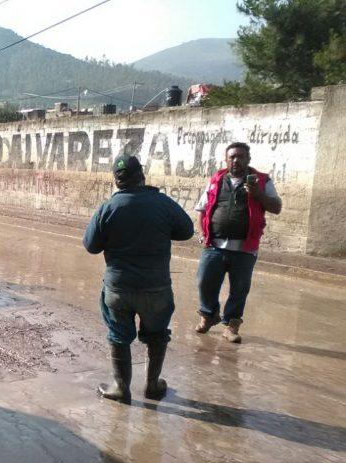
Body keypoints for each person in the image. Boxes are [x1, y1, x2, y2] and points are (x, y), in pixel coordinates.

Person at [83, 155, 194, 403]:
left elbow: (91, 246)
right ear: (141, 175)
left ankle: (121, 388)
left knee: (119, 337)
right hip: (156, 288)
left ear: (116, 180)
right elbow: (186, 230)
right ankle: (152, 386)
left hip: (118, 288)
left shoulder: (108, 208)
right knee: (157, 335)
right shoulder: (162, 203)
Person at [194, 142, 282, 343]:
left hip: (244, 248)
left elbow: (277, 207)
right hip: (214, 245)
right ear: (226, 160)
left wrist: (257, 194)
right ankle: (208, 316)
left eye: (240, 156)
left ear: (248, 159)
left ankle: (231, 326)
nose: (236, 160)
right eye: (232, 157)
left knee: (239, 289)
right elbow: (202, 209)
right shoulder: (216, 180)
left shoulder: (262, 181)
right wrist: (202, 233)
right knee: (204, 282)